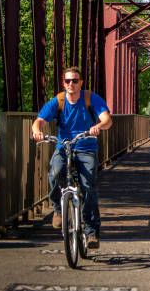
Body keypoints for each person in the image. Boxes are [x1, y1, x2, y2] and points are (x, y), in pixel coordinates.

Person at [32, 66, 112, 249]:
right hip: (64, 146)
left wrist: (98, 126)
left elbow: (107, 119)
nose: (71, 84)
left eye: (75, 81)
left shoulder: (90, 98)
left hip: (86, 147)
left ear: (81, 82)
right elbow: (40, 121)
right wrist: (37, 131)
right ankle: (58, 210)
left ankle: (92, 233)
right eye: (68, 81)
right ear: (63, 83)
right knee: (55, 172)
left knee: (89, 186)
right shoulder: (58, 101)